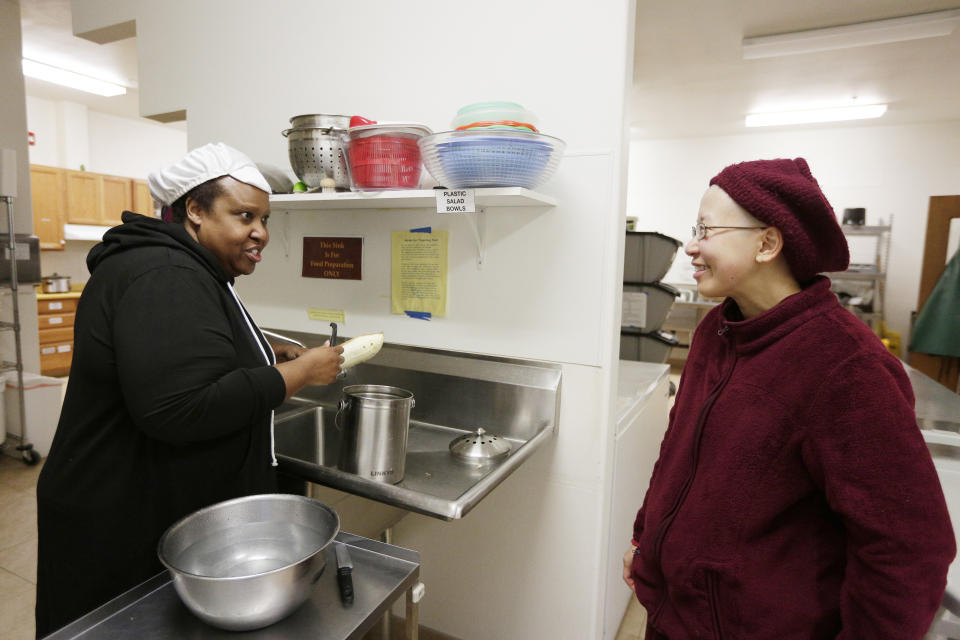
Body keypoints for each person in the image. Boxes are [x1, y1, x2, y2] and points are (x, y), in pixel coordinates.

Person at [622, 158, 955, 639]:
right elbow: (676, 453)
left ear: (767, 243)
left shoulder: (846, 366)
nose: (690, 247)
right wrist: (645, 537)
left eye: (707, 230)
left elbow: (908, 549)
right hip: (677, 618)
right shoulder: (718, 330)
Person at [35, 143, 344, 637]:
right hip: (114, 512)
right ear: (195, 211)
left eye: (264, 218)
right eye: (244, 215)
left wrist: (258, 348)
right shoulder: (164, 274)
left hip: (137, 496)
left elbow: (174, 349)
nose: (260, 232)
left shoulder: (181, 268)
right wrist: (303, 372)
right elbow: (183, 408)